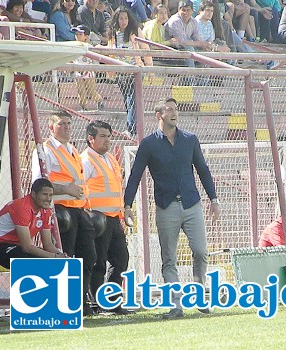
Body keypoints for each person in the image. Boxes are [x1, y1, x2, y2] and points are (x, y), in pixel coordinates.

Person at [124, 97, 221, 319]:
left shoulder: (190, 139)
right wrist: (127, 204)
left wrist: (214, 199)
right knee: (169, 257)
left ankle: (199, 296)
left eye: (176, 109)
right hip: (166, 206)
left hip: (191, 203)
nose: (174, 113)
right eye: (169, 110)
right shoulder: (148, 144)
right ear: (159, 115)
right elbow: (135, 175)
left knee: (200, 251)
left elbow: (203, 170)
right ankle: (175, 305)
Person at [31, 111, 97, 315]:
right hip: (58, 210)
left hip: (78, 209)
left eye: (69, 123)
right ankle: (63, 302)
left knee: (88, 255)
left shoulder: (73, 150)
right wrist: (64, 190)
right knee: (64, 254)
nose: (67, 127)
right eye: (61, 124)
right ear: (51, 127)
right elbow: (39, 182)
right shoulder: (44, 150)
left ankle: (81, 300)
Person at [80, 121, 131, 315]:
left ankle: (111, 302)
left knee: (120, 260)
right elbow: (81, 188)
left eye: (109, 136)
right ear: (90, 139)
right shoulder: (86, 159)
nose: (107, 140)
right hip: (96, 218)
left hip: (113, 218)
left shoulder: (110, 158)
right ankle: (96, 302)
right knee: (98, 262)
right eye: (102, 136)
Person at [0, 179, 68, 268]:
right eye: (45, 194)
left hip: (16, 245)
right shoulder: (21, 207)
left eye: (50, 195)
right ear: (34, 194)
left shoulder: (46, 211)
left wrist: (62, 256)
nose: (48, 199)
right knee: (32, 262)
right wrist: (54, 257)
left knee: (62, 263)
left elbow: (48, 244)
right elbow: (27, 247)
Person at [107, 6, 153, 136]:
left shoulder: (135, 31)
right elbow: (110, 50)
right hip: (120, 72)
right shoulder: (113, 33)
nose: (123, 21)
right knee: (127, 102)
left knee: (132, 100)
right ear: (116, 20)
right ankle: (134, 129)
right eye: (121, 18)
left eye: (126, 18)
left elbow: (145, 48)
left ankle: (131, 129)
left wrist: (149, 68)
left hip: (134, 71)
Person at [72, 24, 106, 112]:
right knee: (81, 91)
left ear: (86, 36)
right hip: (78, 71)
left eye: (80, 34)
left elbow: (95, 59)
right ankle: (83, 107)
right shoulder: (73, 46)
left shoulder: (89, 47)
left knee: (91, 91)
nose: (77, 36)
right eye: (76, 34)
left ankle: (99, 101)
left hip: (88, 71)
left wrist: (95, 68)